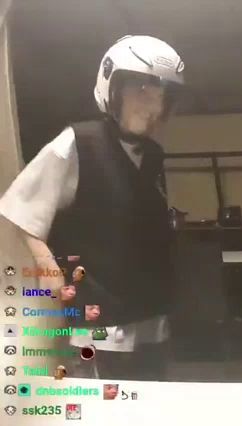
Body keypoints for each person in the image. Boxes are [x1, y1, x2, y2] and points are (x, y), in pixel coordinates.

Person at [0, 35, 186, 379]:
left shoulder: (153, 155)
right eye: (141, 92)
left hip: (151, 313)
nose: (152, 105)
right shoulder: (77, 143)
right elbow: (19, 204)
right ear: (113, 89)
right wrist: (47, 265)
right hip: (101, 322)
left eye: (161, 96)